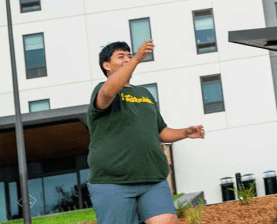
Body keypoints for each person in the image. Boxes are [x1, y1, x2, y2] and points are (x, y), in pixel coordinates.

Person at [87, 40, 206, 224]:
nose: (127, 59)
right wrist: (137, 59)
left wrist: (185, 132)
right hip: (112, 182)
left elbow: (160, 131)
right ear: (106, 65)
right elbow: (108, 92)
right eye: (121, 56)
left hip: (152, 179)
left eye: (129, 55)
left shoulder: (144, 94)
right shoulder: (102, 91)